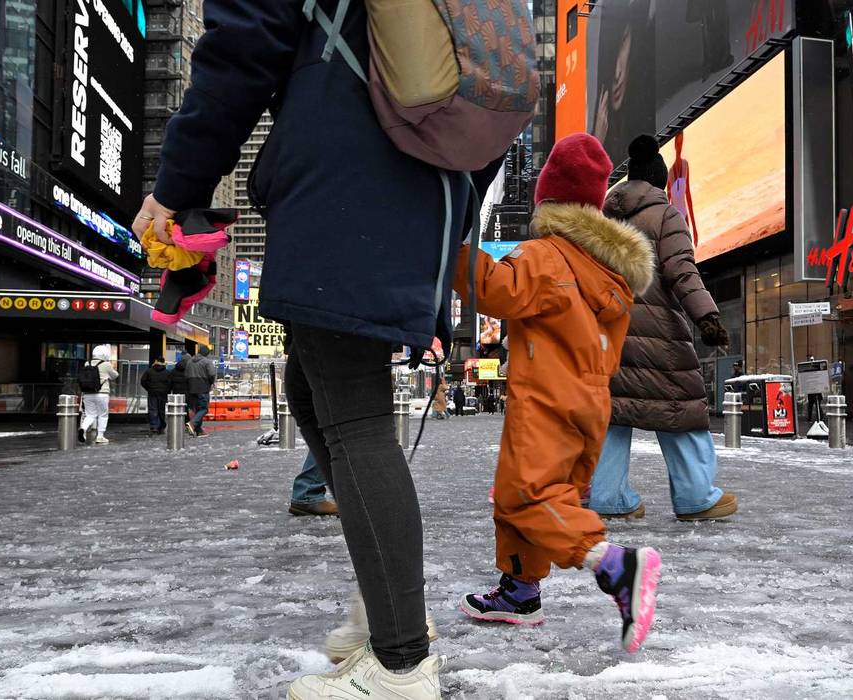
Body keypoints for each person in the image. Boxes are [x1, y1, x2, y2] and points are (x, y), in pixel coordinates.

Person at [132, 0, 478, 693]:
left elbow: (239, 50)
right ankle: (382, 603)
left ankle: (401, 663)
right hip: (425, 181)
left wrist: (176, 188)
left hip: (349, 177)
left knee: (351, 412)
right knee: (311, 392)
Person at [456, 133, 663, 654]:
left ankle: (613, 564)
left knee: (525, 495)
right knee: (532, 493)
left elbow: (500, 291)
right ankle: (520, 591)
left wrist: (454, 258)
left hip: (546, 397)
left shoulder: (546, 255)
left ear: (548, 202)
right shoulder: (608, 272)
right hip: (589, 402)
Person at [587, 135, 736, 523]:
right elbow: (681, 270)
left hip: (609, 335)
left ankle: (608, 497)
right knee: (680, 410)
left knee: (612, 415)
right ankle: (696, 496)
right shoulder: (666, 216)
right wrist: (707, 316)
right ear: (659, 182)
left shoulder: (604, 219)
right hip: (660, 336)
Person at [79, 345, 119, 445]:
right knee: (103, 415)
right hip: (102, 393)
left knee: (90, 415)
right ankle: (100, 436)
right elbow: (115, 375)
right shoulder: (106, 364)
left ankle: (83, 429)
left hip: (88, 393)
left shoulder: (87, 363)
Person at [178, 346, 216, 437]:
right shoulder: (207, 362)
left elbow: (186, 375)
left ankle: (198, 431)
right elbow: (212, 374)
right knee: (204, 409)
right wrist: (211, 383)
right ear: (207, 353)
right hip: (203, 387)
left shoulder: (189, 361)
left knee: (197, 409)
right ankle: (192, 424)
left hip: (191, 389)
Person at [140, 357, 173, 435]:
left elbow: (143, 381)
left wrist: (149, 388)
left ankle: (154, 426)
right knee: (161, 410)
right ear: (164, 362)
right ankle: (161, 427)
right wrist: (166, 390)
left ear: (155, 361)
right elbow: (170, 384)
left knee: (153, 409)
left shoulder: (149, 371)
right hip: (163, 394)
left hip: (152, 393)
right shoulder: (167, 372)